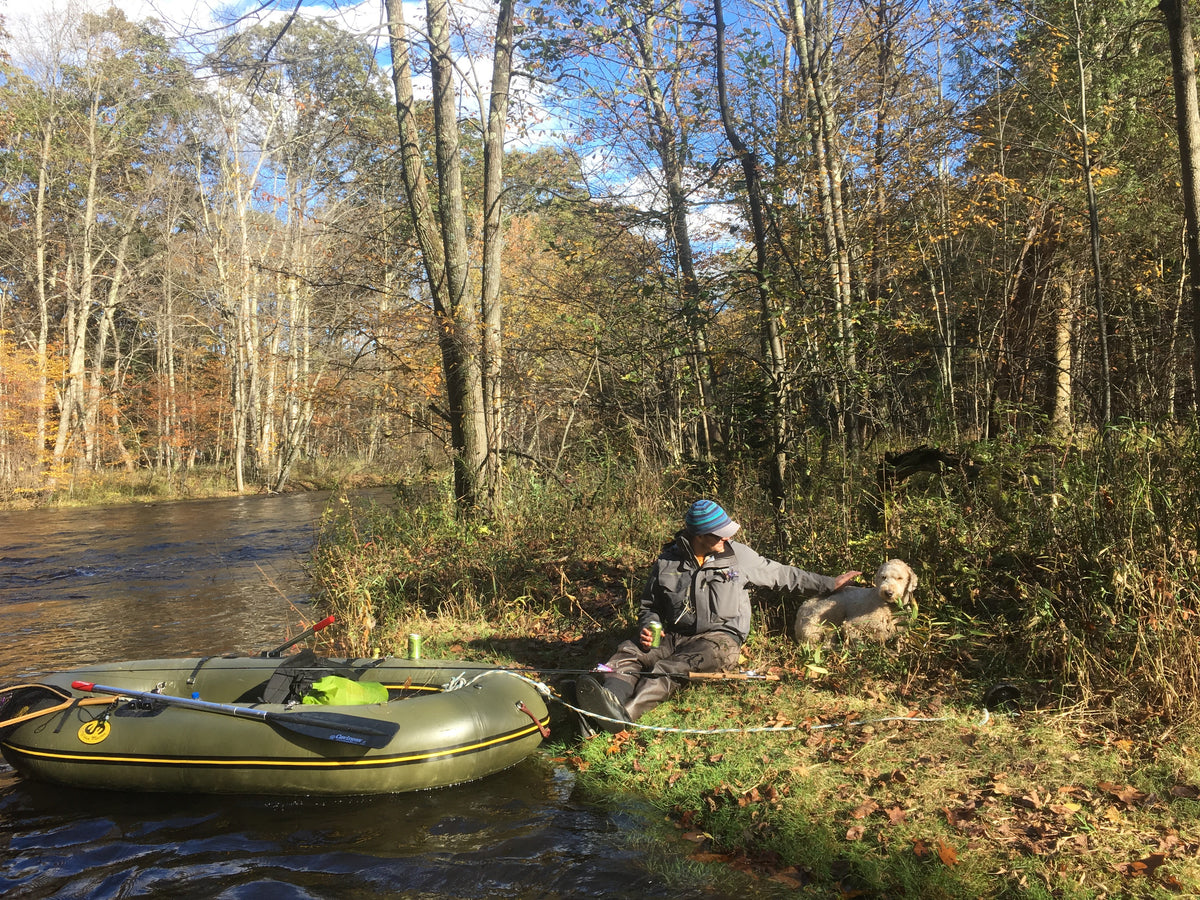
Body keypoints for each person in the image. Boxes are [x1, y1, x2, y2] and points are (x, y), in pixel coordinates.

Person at [575, 499, 860, 733]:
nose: (728, 537)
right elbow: (650, 606)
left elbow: (783, 575)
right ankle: (608, 701)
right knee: (628, 652)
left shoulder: (739, 556)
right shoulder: (667, 561)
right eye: (720, 533)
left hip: (720, 641)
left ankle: (623, 716)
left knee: (671, 668)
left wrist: (829, 583)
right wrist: (650, 626)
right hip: (675, 635)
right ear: (699, 536)